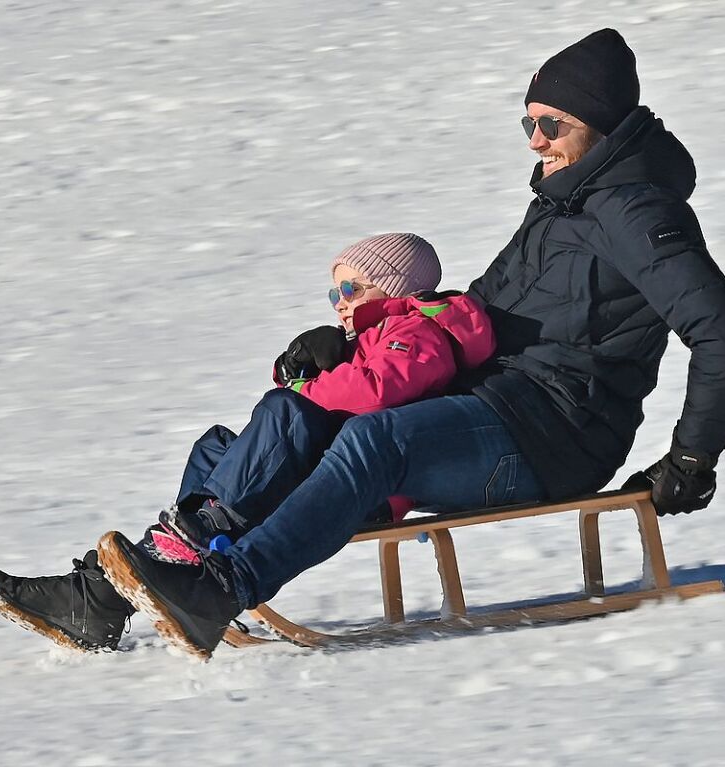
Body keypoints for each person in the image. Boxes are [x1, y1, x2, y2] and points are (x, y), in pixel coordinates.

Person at [92, 28, 725, 660]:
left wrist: (691, 459)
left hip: (553, 434)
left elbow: (717, 328)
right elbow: (473, 310)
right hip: (493, 406)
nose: (536, 140)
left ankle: (222, 586)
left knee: (375, 441)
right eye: (527, 122)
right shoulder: (562, 206)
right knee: (277, 428)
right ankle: (101, 597)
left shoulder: (640, 214)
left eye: (553, 124)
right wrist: (366, 329)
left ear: (603, 125)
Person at [0, 233, 497, 651]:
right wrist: (296, 369)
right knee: (216, 444)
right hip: (323, 462)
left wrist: (300, 386)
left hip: (357, 484)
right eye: (332, 292)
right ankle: (119, 590)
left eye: (351, 289)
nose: (339, 303)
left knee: (283, 411)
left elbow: (374, 391)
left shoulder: (422, 332)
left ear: (396, 284)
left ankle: (164, 565)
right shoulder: (369, 338)